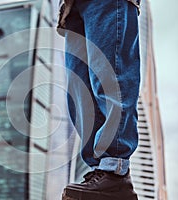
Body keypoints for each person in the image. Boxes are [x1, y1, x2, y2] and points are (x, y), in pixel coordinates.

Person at [57, 0, 141, 199]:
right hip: (70, 8)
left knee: (111, 78)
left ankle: (115, 170)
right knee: (80, 94)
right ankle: (102, 171)